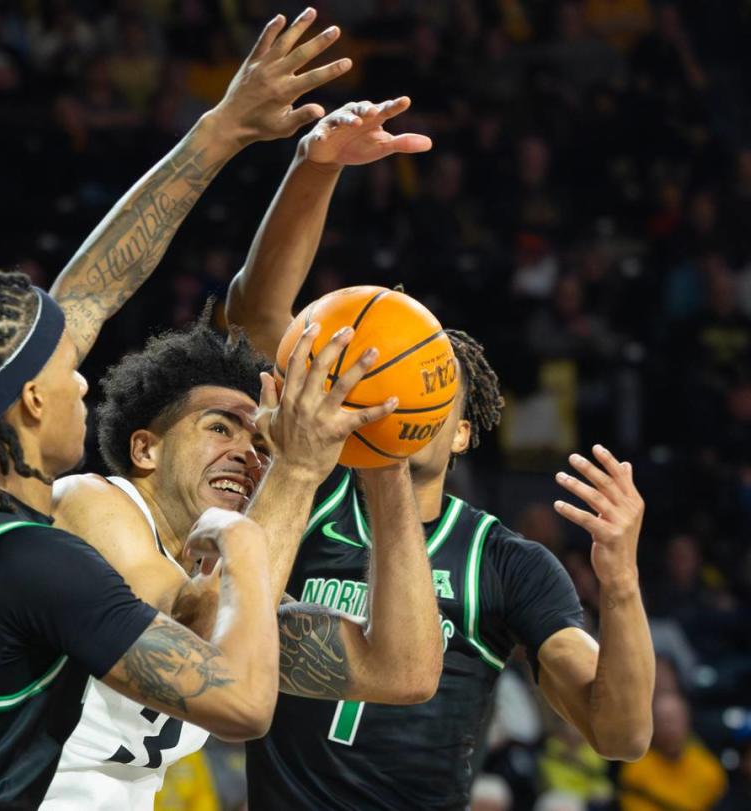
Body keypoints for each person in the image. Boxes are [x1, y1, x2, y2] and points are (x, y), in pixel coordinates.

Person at [0, 9, 354, 806]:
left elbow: (92, 289)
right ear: (30, 400)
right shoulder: (33, 562)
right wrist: (276, 497)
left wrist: (220, 131)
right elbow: (243, 700)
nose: (82, 379)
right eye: (65, 370)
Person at [225, 99, 656, 810]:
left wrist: (621, 584)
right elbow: (260, 318)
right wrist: (314, 166)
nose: (400, 396)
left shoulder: (505, 561)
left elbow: (621, 732)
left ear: (460, 432)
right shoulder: (306, 496)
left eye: (427, 384)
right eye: (385, 373)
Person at [42, 311, 441, 809]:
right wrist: (295, 468)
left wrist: (385, 459)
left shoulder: (230, 588)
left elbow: (403, 672)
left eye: (259, 443)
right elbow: (197, 642)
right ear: (145, 449)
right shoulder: (88, 501)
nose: (247, 456)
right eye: (219, 428)